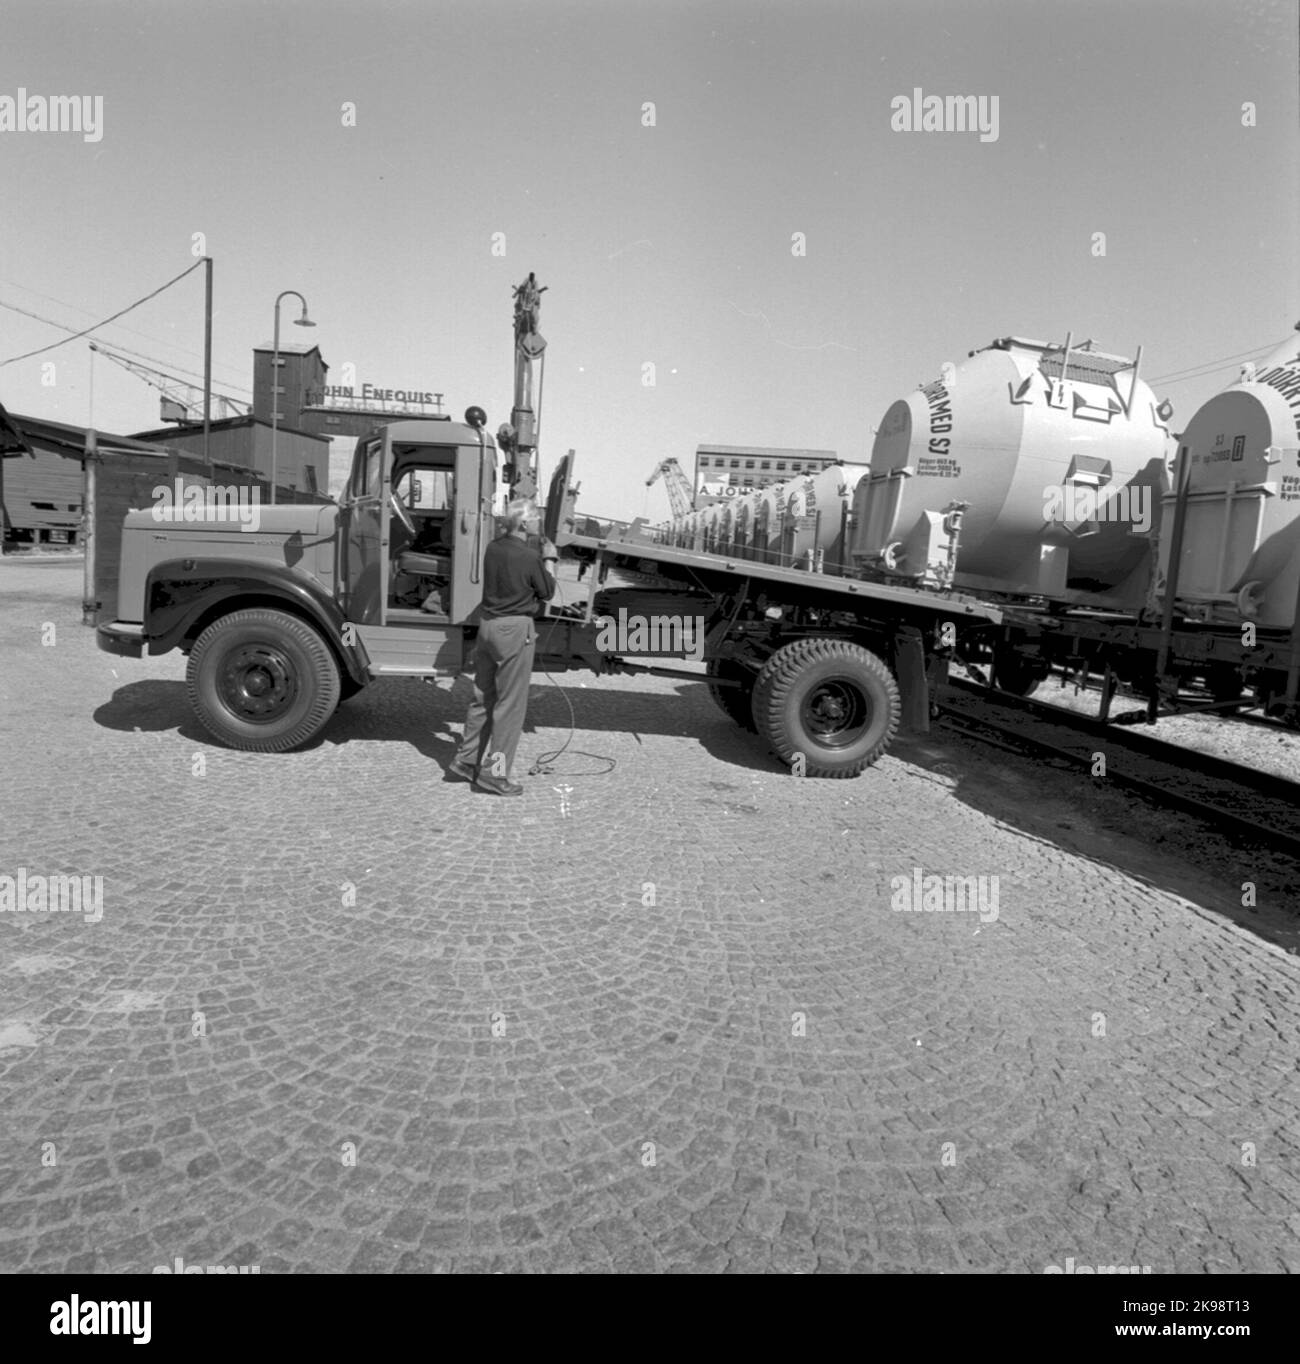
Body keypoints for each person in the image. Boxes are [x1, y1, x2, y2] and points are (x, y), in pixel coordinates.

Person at [448, 500, 558, 795]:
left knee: (482, 697)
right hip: (514, 631)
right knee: (509, 707)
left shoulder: (493, 548)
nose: (538, 522)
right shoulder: (531, 556)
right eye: (535, 518)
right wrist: (550, 559)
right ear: (523, 524)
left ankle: (466, 761)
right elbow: (547, 591)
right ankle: (495, 775)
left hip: (488, 626)